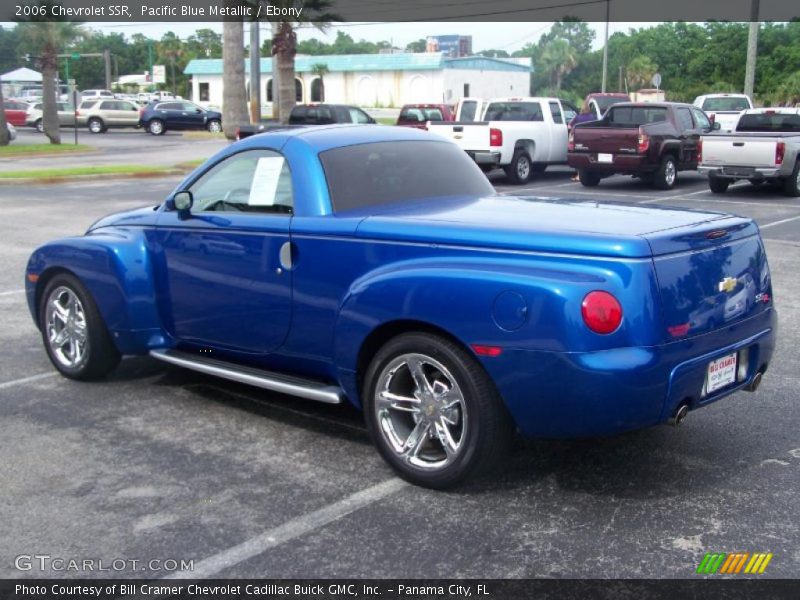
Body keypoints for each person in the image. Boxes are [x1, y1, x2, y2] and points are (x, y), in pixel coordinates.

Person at [569, 101, 597, 181]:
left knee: (579, 157)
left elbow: (569, 125)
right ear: (588, 109)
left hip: (580, 140)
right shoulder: (593, 117)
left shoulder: (578, 117)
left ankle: (579, 175)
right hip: (591, 140)